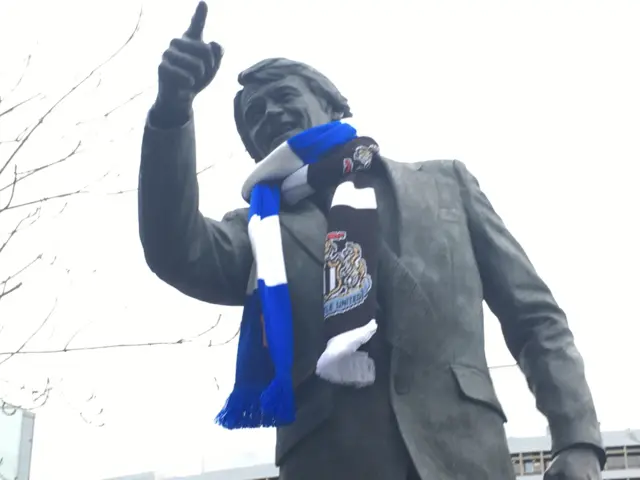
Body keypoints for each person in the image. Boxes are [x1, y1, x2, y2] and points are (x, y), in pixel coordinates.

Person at [138, 2, 605, 479]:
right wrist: (172, 111)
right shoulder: (259, 232)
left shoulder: (446, 186)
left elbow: (535, 318)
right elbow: (176, 248)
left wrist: (579, 441)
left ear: (334, 106)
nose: (270, 113)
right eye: (254, 114)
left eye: (283, 95)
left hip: (466, 461)